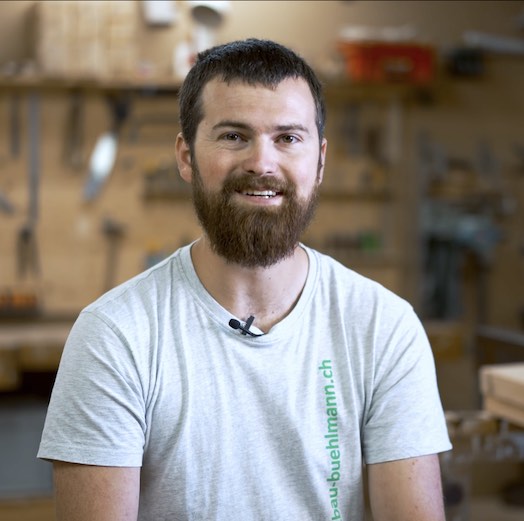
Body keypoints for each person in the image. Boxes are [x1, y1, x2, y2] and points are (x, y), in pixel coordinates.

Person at [38, 38, 451, 521]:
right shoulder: (115, 336)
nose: (262, 162)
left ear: (319, 161)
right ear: (186, 156)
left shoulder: (384, 328)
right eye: (234, 136)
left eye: (288, 138)